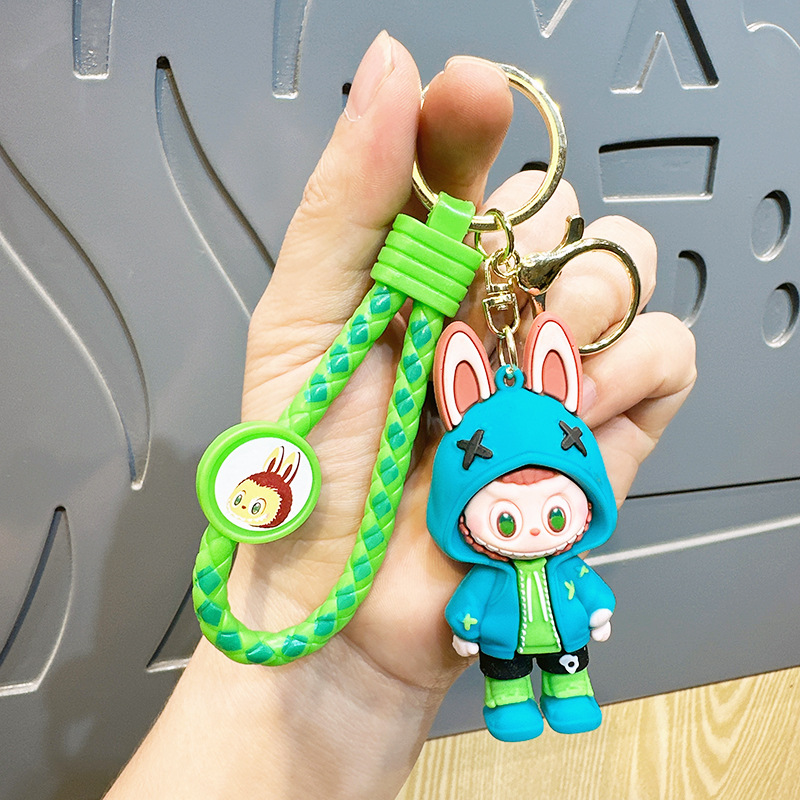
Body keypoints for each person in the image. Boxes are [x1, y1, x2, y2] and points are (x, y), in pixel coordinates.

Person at [105, 32, 696, 800]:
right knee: (508, 682)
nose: (533, 525)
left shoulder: (559, 559)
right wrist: (367, 664)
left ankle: (566, 689)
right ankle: (511, 699)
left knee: (566, 667)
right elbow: (471, 604)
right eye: (507, 519)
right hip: (465, 642)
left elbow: (583, 591)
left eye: (553, 514)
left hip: (538, 638)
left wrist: (372, 680)